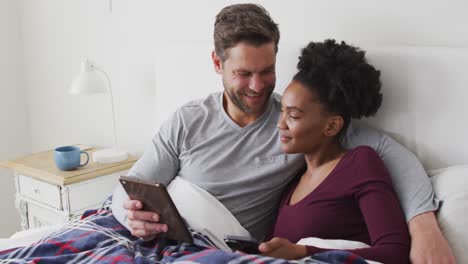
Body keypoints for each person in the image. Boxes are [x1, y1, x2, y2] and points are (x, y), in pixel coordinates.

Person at [111, 3, 455, 263]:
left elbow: (387, 152)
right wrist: (130, 213)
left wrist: (424, 225)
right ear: (218, 64)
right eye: (243, 73)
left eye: (267, 70)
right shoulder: (186, 121)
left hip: (219, 249)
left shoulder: (301, 123)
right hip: (164, 235)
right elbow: (131, 185)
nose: (257, 86)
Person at [258, 39, 409, 263]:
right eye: (282, 111)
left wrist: (303, 252)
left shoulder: (360, 163)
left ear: (331, 126)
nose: (281, 124)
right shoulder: (291, 182)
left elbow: (394, 253)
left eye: (294, 115)